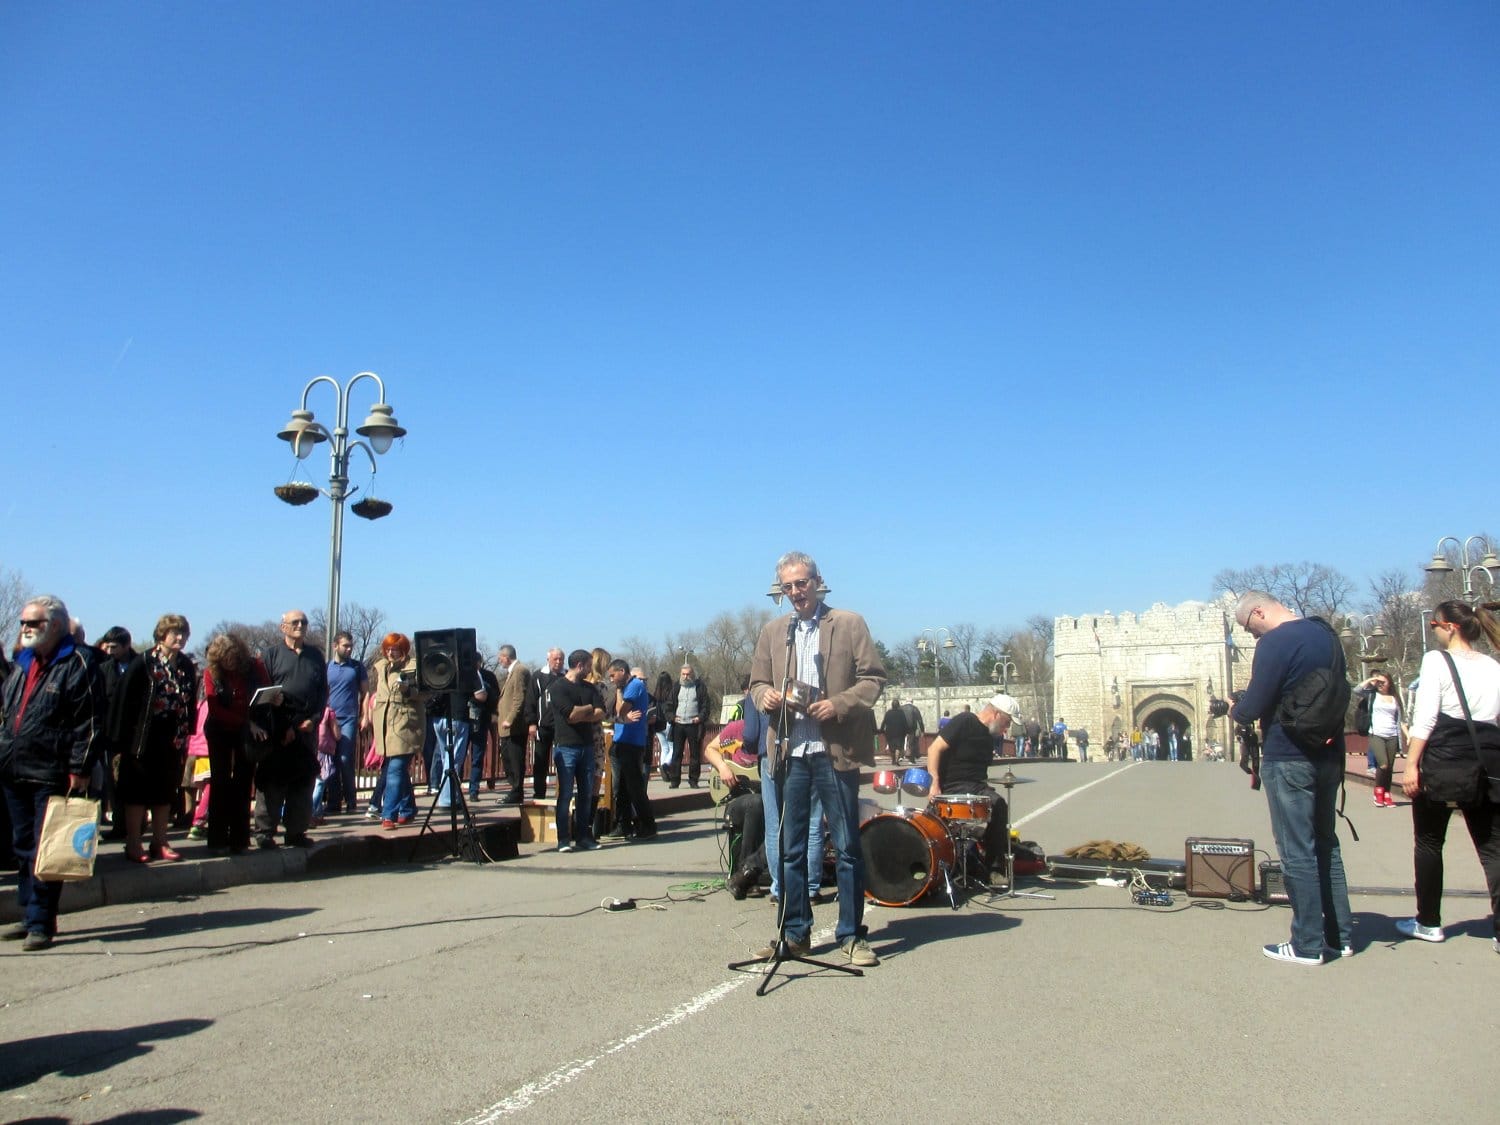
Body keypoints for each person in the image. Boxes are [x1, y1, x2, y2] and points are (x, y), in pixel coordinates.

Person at [749, 551, 886, 967]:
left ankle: (850, 935)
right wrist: (765, 696)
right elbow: (755, 682)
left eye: (801, 584)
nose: (795, 593)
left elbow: (874, 679)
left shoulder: (848, 623)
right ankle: (795, 935)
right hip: (791, 753)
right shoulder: (775, 632)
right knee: (790, 850)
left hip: (833, 753)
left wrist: (838, 705)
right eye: (787, 587)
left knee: (846, 848)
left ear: (817, 582)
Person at [1230, 591, 1353, 965]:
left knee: (1296, 850)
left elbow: (1253, 707)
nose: (1253, 637)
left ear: (1258, 611)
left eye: (1250, 629)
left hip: (1289, 756)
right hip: (1329, 754)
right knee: (1326, 845)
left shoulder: (1275, 643)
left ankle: (1307, 944)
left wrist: (1237, 709)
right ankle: (1340, 937)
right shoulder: (1325, 634)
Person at [0, 595, 104, 950]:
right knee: (23, 845)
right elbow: (10, 709)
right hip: (15, 765)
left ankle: (41, 921)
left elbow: (88, 720)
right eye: (24, 623)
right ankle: (29, 912)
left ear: (55, 626)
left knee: (47, 848)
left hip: (51, 768)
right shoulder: (23, 661)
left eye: (33, 623)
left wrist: (80, 767)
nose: (26, 629)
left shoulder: (78, 662)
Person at [1396, 600, 1500, 950]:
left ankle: (1429, 922)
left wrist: (1411, 764)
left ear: (1450, 627)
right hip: (1487, 763)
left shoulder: (1436, 661)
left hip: (1444, 761)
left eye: (1434, 625)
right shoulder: (1492, 665)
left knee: (1428, 841)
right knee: (1493, 850)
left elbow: (1425, 718)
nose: (1434, 631)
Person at [115, 614, 198, 863]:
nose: (180, 638)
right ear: (162, 635)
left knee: (164, 792)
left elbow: (190, 700)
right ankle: (133, 843)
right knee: (138, 792)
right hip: (143, 738)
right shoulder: (143, 662)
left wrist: (187, 733)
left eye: (184, 633)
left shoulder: (184, 665)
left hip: (172, 738)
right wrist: (123, 741)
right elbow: (125, 702)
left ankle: (160, 841)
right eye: (175, 633)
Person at [256, 609, 328, 849]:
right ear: (283, 627)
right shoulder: (271, 655)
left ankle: (296, 831)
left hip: (306, 728)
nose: (300, 626)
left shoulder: (315, 656)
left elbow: (322, 692)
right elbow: (263, 693)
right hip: (278, 728)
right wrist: (283, 726)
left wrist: (314, 719)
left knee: (303, 781)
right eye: (295, 622)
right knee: (273, 782)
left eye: (304, 622)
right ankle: (265, 832)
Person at [925, 694, 1020, 871]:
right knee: (929, 830)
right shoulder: (965, 721)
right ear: (997, 714)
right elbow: (934, 749)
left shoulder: (989, 736)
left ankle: (995, 868)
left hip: (976, 787)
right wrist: (934, 782)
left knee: (999, 805)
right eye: (1007, 722)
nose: (1007, 729)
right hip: (952, 787)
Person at [200, 631, 270, 853]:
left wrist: (271, 699)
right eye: (224, 659)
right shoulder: (211, 673)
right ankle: (217, 839)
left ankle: (240, 839)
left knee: (243, 781)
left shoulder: (254, 667)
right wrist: (245, 722)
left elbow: (265, 689)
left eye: (233, 658)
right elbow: (215, 709)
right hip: (221, 729)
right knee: (220, 782)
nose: (229, 663)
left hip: (248, 731)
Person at [547, 649, 605, 852]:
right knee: (565, 794)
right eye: (589, 665)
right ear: (580, 665)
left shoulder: (589, 687)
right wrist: (587, 709)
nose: (591, 669)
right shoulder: (558, 687)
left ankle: (583, 837)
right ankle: (563, 839)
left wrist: (584, 711)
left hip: (587, 746)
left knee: (586, 793)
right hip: (566, 747)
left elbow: (600, 712)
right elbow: (570, 715)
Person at [368, 633, 423, 828]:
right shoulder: (381, 667)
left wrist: (408, 690)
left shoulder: (415, 667)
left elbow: (426, 694)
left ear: (404, 650)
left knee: (394, 770)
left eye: (396, 649)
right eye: (388, 649)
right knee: (397, 770)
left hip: (405, 727)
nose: (391, 653)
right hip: (385, 728)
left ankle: (388, 814)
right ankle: (408, 809)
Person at [706, 731, 766, 898]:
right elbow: (710, 749)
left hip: (765, 796)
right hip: (737, 800)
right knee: (755, 803)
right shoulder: (738, 728)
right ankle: (745, 873)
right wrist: (723, 767)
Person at [606, 659, 655, 839]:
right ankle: (623, 824)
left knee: (634, 786)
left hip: (632, 743)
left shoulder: (634, 686)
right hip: (620, 740)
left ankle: (648, 824)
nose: (611, 679)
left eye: (613, 675)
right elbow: (617, 713)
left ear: (622, 671)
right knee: (621, 788)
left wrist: (619, 691)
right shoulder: (626, 687)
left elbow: (620, 710)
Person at [323, 631, 368, 815]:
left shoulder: (357, 667)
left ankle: (350, 800)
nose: (349, 649)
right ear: (335, 646)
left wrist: (364, 716)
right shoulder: (327, 667)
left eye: (350, 646)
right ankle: (333, 802)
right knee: (330, 760)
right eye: (345, 646)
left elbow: (365, 693)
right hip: (329, 719)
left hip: (349, 718)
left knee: (345, 759)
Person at [1356, 670, 1403, 808]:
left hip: (1392, 734)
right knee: (1383, 764)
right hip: (1376, 734)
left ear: (1390, 683)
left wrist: (1406, 735)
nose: (1380, 685)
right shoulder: (1372, 695)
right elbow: (1357, 690)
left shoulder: (1395, 698)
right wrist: (1371, 680)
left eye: (1383, 682)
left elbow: (1400, 719)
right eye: (1378, 682)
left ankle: (1387, 794)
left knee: (1389, 767)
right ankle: (1378, 792)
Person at [495, 645, 534, 804]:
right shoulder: (512, 672)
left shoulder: (519, 670)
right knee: (507, 758)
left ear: (506, 656)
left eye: (500, 657)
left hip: (515, 727)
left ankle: (517, 791)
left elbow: (519, 697)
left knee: (515, 759)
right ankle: (514, 790)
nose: (499, 661)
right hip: (506, 728)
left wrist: (510, 718)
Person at [666, 663, 710, 788]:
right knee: (677, 753)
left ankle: (693, 780)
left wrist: (700, 718)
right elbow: (668, 705)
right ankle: (675, 781)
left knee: (695, 754)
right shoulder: (676, 687)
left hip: (693, 725)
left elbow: (706, 706)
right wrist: (672, 717)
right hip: (678, 725)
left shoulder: (700, 687)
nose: (686, 677)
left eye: (688, 674)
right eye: (683, 674)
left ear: (693, 674)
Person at [530, 648, 565, 800]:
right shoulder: (539, 676)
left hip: (562, 727)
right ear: (548, 659)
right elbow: (530, 700)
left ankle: (562, 792)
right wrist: (531, 723)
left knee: (563, 761)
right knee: (540, 761)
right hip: (542, 726)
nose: (558, 662)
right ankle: (539, 793)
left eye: (561, 659)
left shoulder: (566, 677)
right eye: (555, 659)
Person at [880, 700, 908, 766]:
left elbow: (884, 722)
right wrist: (906, 731)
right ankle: (896, 760)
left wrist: (881, 730)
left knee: (891, 747)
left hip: (889, 732)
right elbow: (905, 723)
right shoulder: (901, 713)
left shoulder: (888, 713)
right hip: (899, 732)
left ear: (892, 705)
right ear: (898, 705)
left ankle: (893, 759)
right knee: (898, 747)